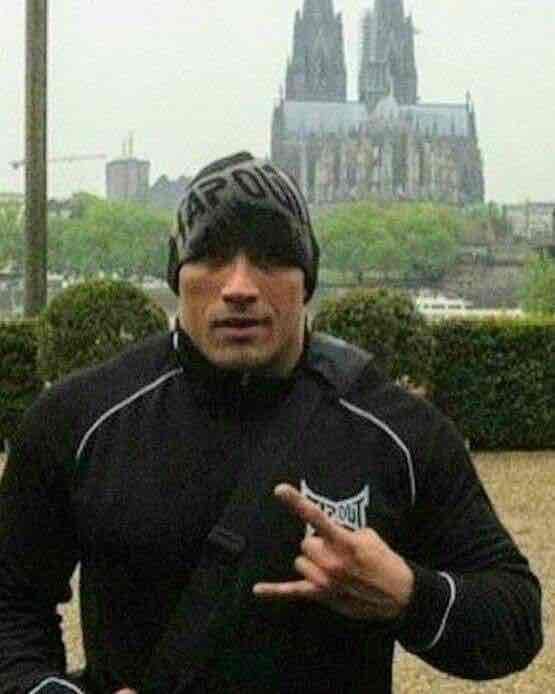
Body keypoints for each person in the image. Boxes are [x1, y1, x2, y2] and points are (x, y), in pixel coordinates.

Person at [0, 152, 542, 694]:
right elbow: (12, 604)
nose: (239, 286)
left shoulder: (394, 430)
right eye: (210, 256)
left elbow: (516, 618)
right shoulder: (81, 419)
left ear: (307, 279)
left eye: (270, 258)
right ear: (177, 273)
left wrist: (408, 595)